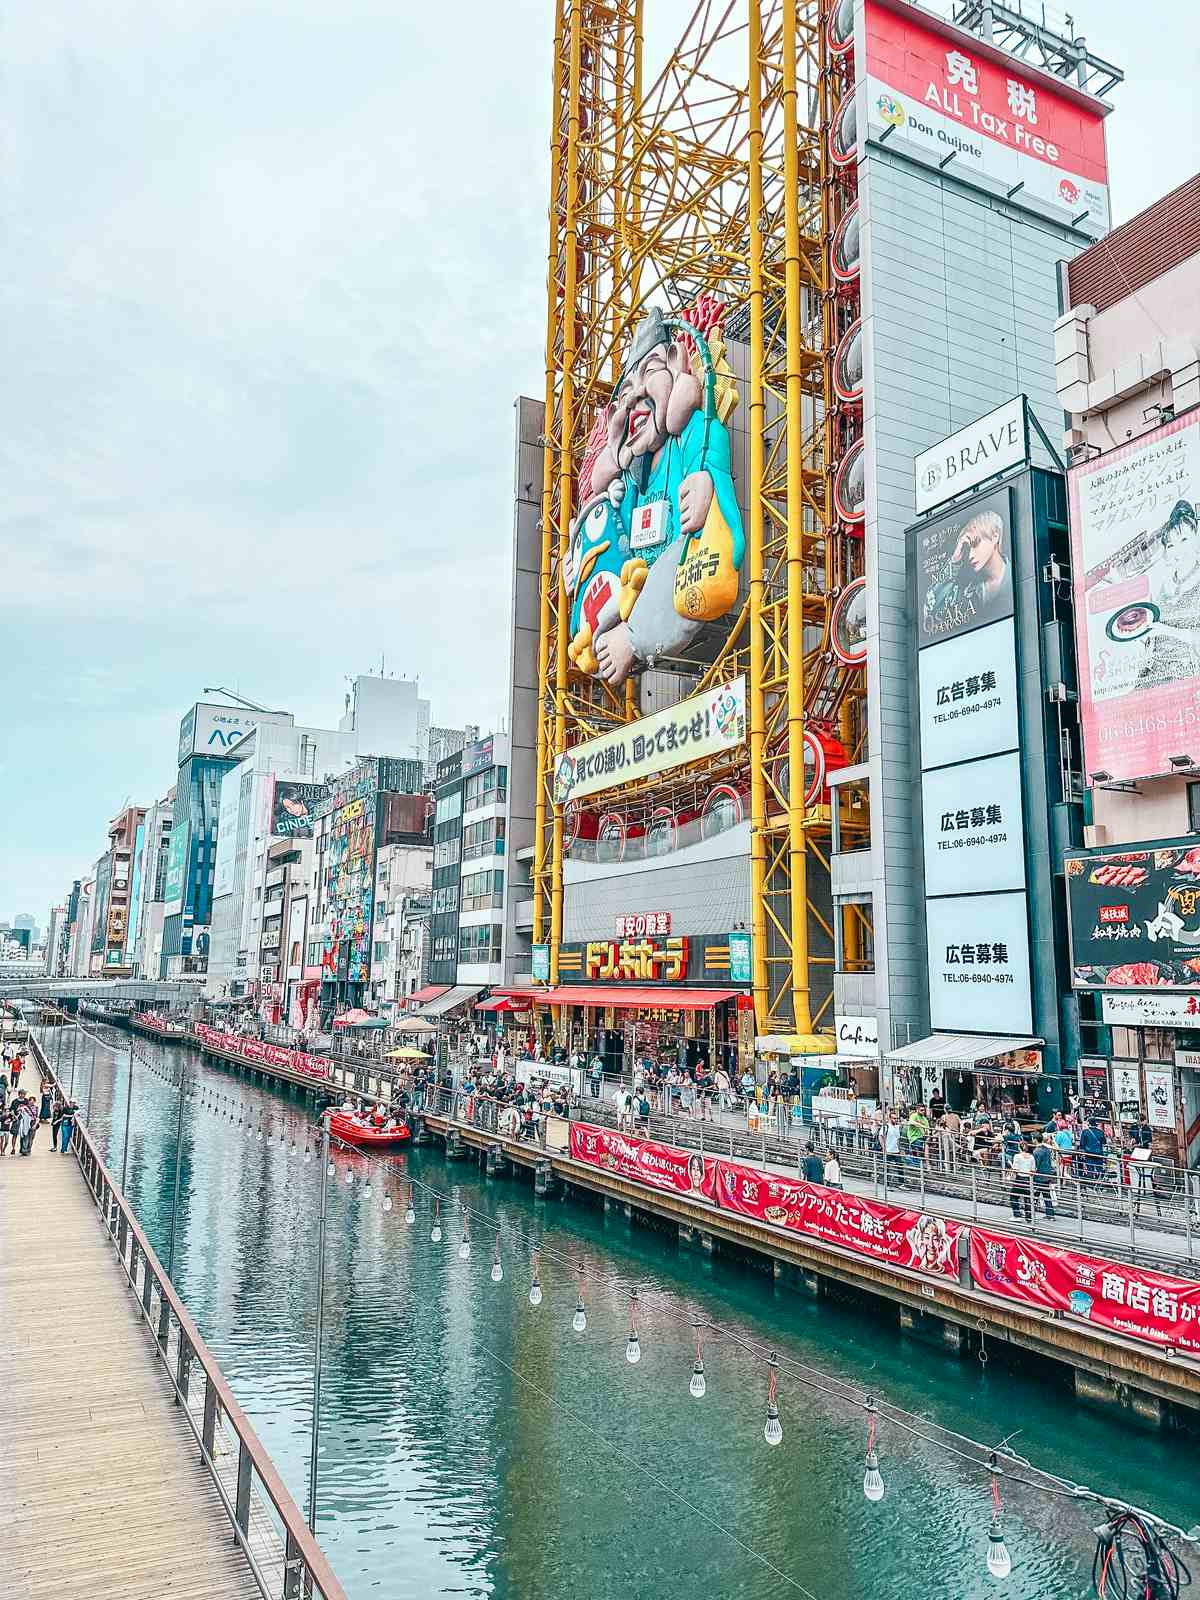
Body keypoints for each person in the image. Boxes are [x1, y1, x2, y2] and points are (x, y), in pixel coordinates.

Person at [1010, 1140, 1036, 1222]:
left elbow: (1015, 1169)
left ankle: (1016, 1214)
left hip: (1019, 1178)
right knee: (1027, 1198)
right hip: (1028, 1179)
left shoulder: (1017, 1156)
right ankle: (1029, 1217)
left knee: (1013, 1196)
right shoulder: (1031, 1157)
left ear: (1019, 1148)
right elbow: (1033, 1170)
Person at [1033, 1135, 1057, 1220]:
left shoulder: (1036, 1151)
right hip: (1047, 1175)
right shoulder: (1047, 1150)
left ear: (1035, 1139)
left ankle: (1030, 1212)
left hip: (1039, 1176)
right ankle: (1050, 1214)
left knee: (1035, 1194)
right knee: (1046, 1195)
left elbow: (1036, 1165)